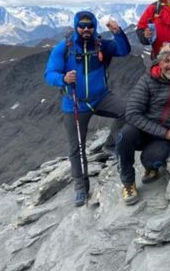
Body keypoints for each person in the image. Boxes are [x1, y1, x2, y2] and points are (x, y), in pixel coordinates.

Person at [44, 11, 131, 206]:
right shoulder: (65, 47)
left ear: (94, 27)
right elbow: (49, 74)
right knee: (77, 147)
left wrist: (118, 33)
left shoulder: (101, 44)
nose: (85, 29)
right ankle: (81, 186)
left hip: (101, 97)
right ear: (76, 26)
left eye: (89, 26)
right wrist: (63, 79)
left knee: (129, 111)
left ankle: (111, 145)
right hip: (74, 102)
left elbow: (123, 51)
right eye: (82, 26)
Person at [115, 43, 170, 205]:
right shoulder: (148, 80)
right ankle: (128, 183)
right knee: (124, 136)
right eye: (167, 61)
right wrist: (165, 133)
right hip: (145, 130)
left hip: (169, 132)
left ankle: (151, 167)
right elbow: (132, 113)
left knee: (153, 159)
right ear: (160, 63)